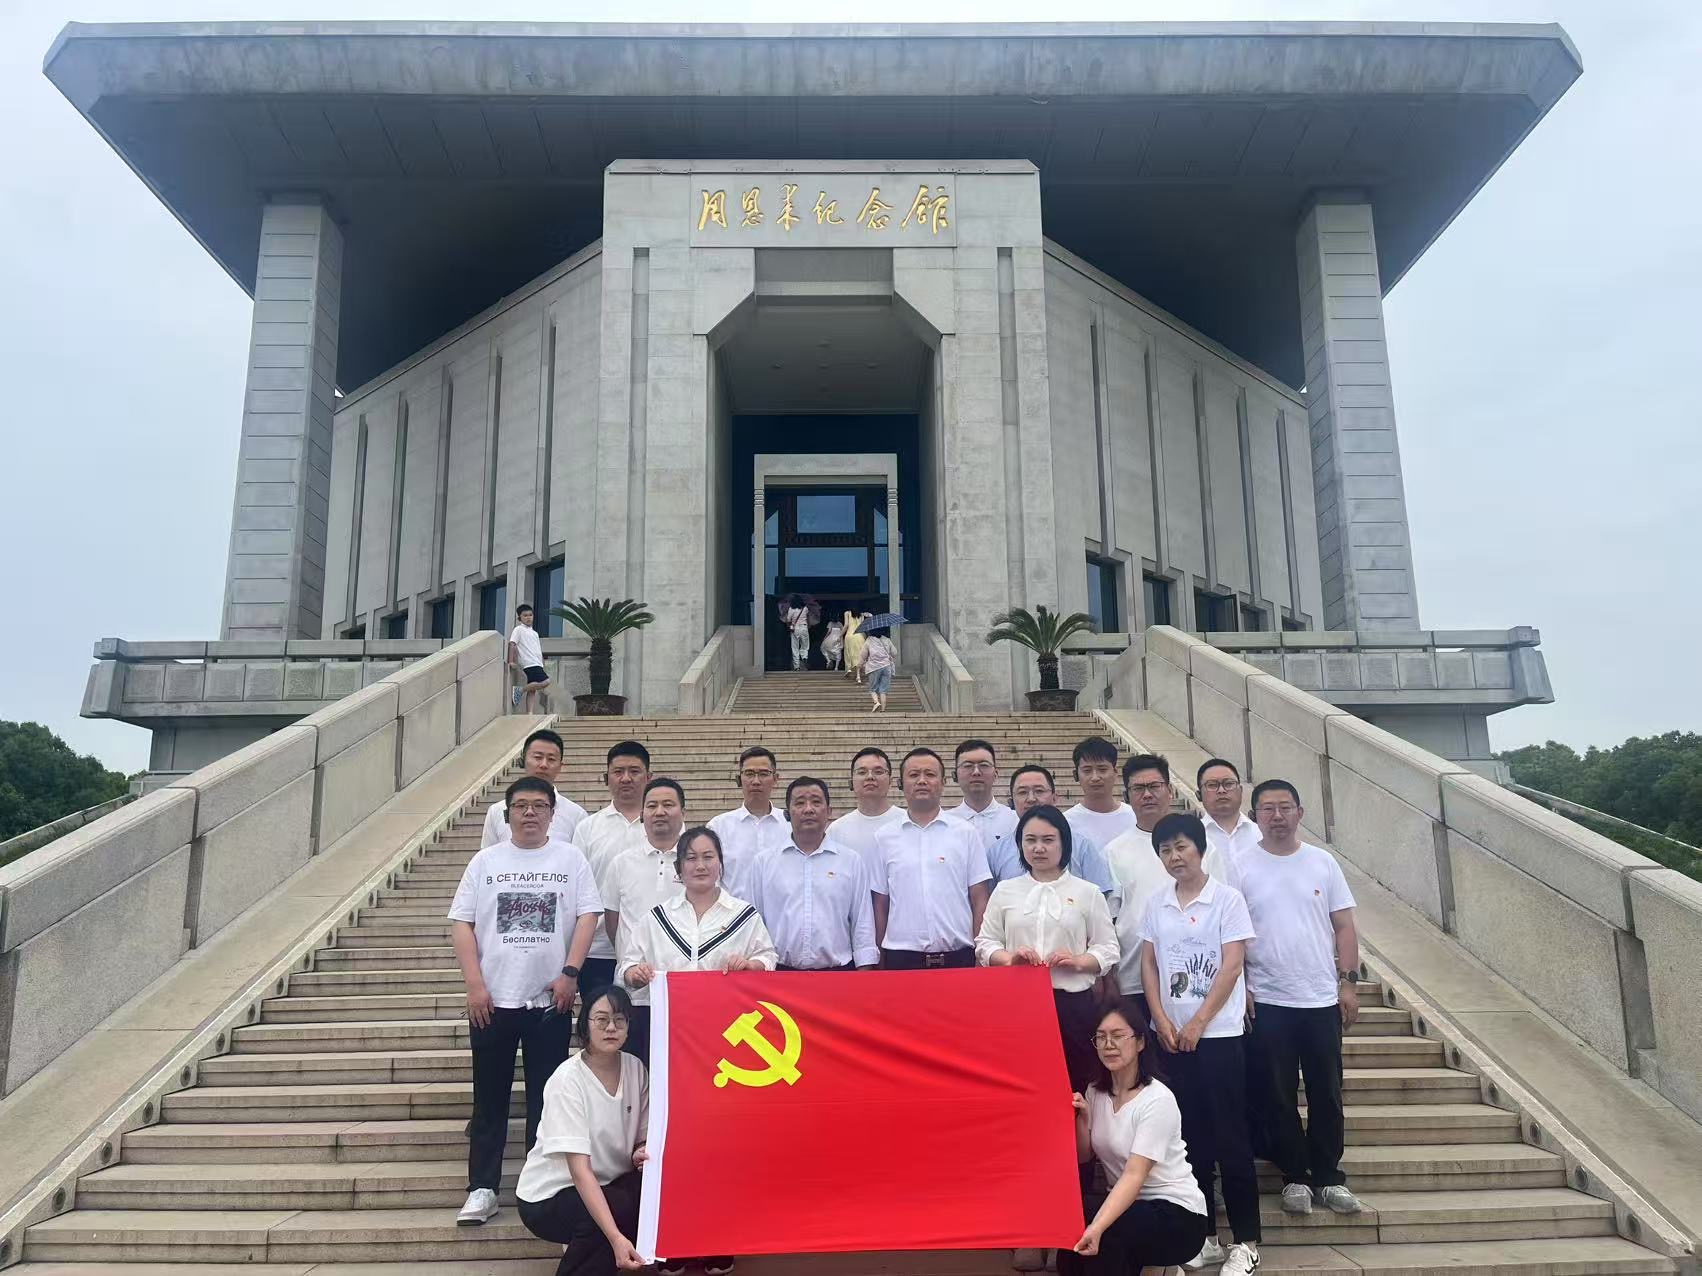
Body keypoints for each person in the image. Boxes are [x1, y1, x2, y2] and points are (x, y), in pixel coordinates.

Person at [448, 776, 602, 1227]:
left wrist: (570, 973)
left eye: (539, 805)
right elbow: (462, 923)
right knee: (489, 1098)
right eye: (521, 805)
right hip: (492, 1002)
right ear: (507, 814)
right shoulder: (486, 861)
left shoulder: (570, 858)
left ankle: (540, 1186)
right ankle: (482, 1189)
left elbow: (588, 915)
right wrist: (475, 985)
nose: (530, 812)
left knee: (547, 1097)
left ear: (553, 813)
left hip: (549, 1002)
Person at [1137, 814, 1261, 1276]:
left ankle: (1246, 1241)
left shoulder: (1227, 900)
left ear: (1200, 849)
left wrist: (1199, 1022)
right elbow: (1149, 965)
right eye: (1165, 850)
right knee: (1189, 1139)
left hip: (1219, 1037)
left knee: (1231, 1136)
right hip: (1172, 1040)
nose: (1174, 856)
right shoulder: (1157, 903)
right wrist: (1161, 1019)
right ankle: (1204, 1237)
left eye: (1181, 847)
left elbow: (1232, 966)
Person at [618, 826, 778, 1169]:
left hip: (726, 1035)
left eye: (708, 857)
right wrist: (636, 973)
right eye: (691, 858)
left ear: (720, 863)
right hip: (669, 1035)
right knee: (671, 1103)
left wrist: (750, 964)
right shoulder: (657, 918)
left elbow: (768, 958)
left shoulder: (743, 915)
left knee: (722, 1106)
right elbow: (627, 967)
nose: (700, 865)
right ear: (679, 868)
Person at [1240, 779, 1364, 1218]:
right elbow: (1230, 934)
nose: (1277, 816)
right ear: (1255, 815)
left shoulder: (1322, 863)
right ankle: (1295, 1175)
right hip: (1268, 998)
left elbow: (1344, 927)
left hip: (1319, 998)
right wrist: (1242, 985)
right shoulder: (1239, 865)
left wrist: (1348, 983)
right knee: (1277, 1093)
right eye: (1267, 808)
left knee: (1326, 1092)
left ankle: (1329, 1176)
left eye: (1285, 807)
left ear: (1300, 812)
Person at [1060, 999, 1210, 1276]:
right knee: (1070, 1236)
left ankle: (1161, 1268)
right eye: (1101, 1037)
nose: (1109, 1045)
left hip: (1177, 1214)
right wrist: (1083, 1119)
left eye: (1118, 1036)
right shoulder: (1095, 1092)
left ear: (1140, 1042)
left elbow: (1134, 1174)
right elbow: (1083, 1156)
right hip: (1129, 1208)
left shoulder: (1157, 1099)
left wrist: (1097, 1226)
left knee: (1108, 1234)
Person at [976, 806, 1118, 1089]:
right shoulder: (1005, 891)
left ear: (1064, 843)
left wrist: (1078, 961)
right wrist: (1010, 959)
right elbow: (985, 943)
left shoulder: (1087, 892)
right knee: (1022, 1078)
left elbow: (1108, 948)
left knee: (1076, 1080)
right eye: (1030, 840)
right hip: (1018, 1003)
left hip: (1072, 1004)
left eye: (1048, 840)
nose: (1038, 848)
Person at [516, 985, 649, 1276]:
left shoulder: (636, 1068)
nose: (611, 1027)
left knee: (649, 1193)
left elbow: (640, 1136)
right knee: (607, 1214)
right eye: (601, 1020)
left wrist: (640, 1150)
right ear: (585, 1025)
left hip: (610, 1183)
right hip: (550, 1195)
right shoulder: (567, 1080)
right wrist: (615, 1237)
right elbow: (580, 1172)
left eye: (619, 1020)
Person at [871, 748, 992, 969]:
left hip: (959, 958)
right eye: (914, 775)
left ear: (943, 782)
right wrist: (879, 959)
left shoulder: (965, 833)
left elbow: (979, 898)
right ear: (900, 783)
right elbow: (880, 904)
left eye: (930, 774)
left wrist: (980, 954)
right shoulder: (884, 837)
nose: (922, 781)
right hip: (902, 960)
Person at [751, 777, 879, 971]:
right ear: (787, 813)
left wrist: (865, 970)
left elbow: (862, 923)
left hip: (837, 974)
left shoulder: (851, 861)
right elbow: (755, 923)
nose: (808, 809)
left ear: (829, 811)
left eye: (816, 802)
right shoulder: (764, 862)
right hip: (780, 974)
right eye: (800, 803)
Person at [604, 778, 689, 1059]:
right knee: (635, 1072)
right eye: (652, 806)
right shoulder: (622, 863)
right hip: (634, 993)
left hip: (683, 992)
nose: (659, 812)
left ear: (683, 812)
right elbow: (613, 922)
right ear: (642, 814)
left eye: (668, 805)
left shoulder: (697, 862)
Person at [1102, 755, 1183, 1014]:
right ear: (1127, 796)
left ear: (1169, 791)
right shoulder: (1114, 851)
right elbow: (1107, 920)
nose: (1147, 794)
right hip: (1133, 977)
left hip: (1191, 974)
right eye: (1138, 788)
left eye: (1154, 786)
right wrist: (1109, 977)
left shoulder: (1199, 846)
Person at [574, 742, 653, 997]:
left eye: (634, 771)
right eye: (618, 772)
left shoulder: (667, 826)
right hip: (598, 950)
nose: (626, 778)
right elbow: (577, 891)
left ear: (648, 777)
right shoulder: (588, 828)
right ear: (606, 777)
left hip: (653, 949)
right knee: (600, 1018)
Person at [987, 766, 1117, 897]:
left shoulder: (1082, 846)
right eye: (1022, 792)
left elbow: (1099, 897)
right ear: (1011, 802)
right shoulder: (997, 852)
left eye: (1039, 791)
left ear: (1055, 798)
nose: (1031, 799)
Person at [707, 746, 790, 902]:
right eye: (749, 774)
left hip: (782, 914)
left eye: (764, 774)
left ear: (776, 779)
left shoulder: (790, 824)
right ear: (739, 779)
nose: (756, 781)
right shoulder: (718, 827)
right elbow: (710, 879)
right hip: (734, 915)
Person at [482, 729, 588, 849]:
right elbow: (488, 856)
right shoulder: (497, 811)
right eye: (538, 757)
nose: (544, 765)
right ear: (523, 760)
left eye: (551, 759)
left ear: (560, 766)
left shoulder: (576, 815)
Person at [826, 747, 906, 863]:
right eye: (862, 772)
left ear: (891, 781)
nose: (870, 777)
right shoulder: (836, 830)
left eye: (878, 772)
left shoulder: (907, 823)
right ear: (851, 782)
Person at [945, 739, 1018, 851]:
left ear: (996, 774)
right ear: (955, 775)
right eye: (967, 766)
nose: (976, 772)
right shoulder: (944, 823)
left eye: (984, 765)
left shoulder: (1015, 821)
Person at [1196, 758, 1260, 883]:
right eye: (1212, 785)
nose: (1221, 790)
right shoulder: (1191, 839)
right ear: (1199, 795)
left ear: (1241, 790)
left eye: (1229, 784)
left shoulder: (1261, 834)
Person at [1064, 737, 1136, 849]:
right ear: (1076, 775)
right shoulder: (1066, 822)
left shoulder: (1134, 818)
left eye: (1102, 770)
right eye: (1087, 771)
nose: (1095, 778)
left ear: (1115, 772)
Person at [510, 603, 550, 712]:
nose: (528, 617)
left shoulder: (535, 633)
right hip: (529, 663)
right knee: (546, 681)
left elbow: (538, 650)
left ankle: (529, 713)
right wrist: (511, 661)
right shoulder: (518, 629)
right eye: (525, 615)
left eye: (530, 615)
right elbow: (512, 644)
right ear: (520, 618)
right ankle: (520, 690)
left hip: (537, 662)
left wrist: (542, 663)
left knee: (532, 690)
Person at [861, 626, 896, 712]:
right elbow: (894, 653)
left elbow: (863, 655)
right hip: (886, 666)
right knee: (883, 691)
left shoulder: (869, 640)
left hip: (874, 667)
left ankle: (876, 702)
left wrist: (861, 663)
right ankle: (883, 710)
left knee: (872, 689)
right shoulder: (887, 640)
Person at [784, 593, 811, 670]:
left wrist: (789, 626)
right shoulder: (805, 608)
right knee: (805, 645)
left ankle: (797, 666)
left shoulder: (791, 609)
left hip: (795, 628)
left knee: (795, 647)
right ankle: (804, 657)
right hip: (804, 627)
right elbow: (808, 619)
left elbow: (788, 620)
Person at [842, 610, 868, 683]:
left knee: (849, 653)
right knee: (859, 655)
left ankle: (849, 668)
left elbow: (846, 625)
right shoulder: (861, 614)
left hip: (850, 636)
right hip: (860, 636)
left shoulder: (847, 613)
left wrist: (840, 635)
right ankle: (858, 676)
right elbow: (862, 626)